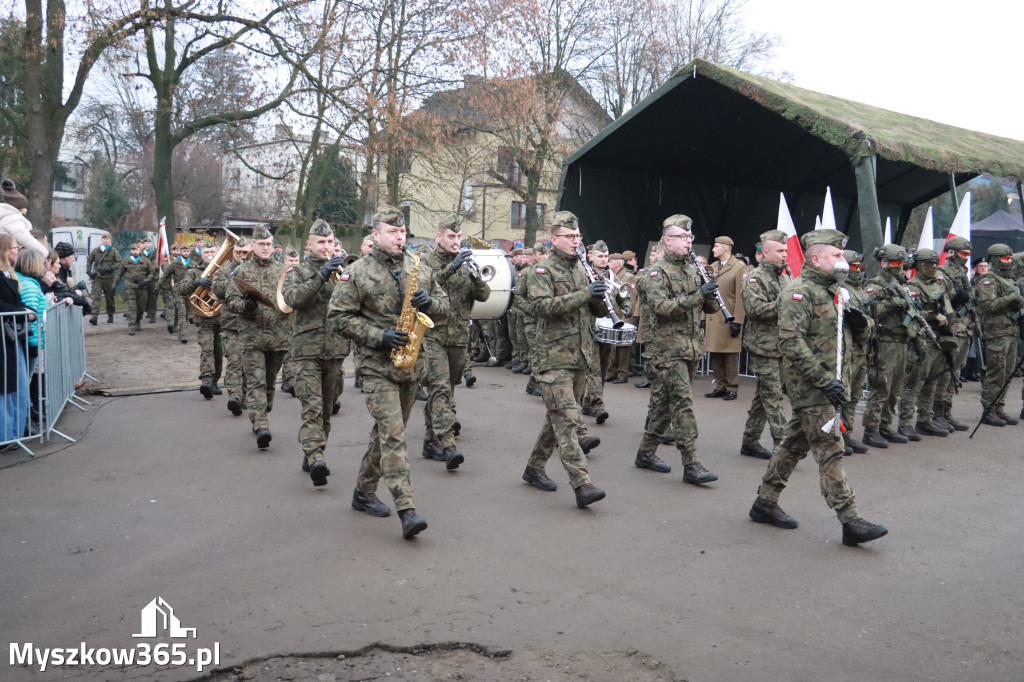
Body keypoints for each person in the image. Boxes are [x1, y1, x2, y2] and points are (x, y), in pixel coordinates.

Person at [748, 229, 888, 547]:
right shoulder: (799, 292)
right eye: (837, 256)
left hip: (833, 384)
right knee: (830, 450)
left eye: (843, 256)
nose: (843, 262)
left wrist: (861, 325)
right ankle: (850, 519)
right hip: (812, 386)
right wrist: (824, 381)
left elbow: (852, 337)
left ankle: (764, 502)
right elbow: (791, 342)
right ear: (816, 258)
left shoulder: (837, 291)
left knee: (793, 445)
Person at [329, 205, 449, 538]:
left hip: (410, 365)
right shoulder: (357, 272)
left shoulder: (418, 267)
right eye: (393, 232)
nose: (400, 237)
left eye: (403, 232)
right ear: (375, 234)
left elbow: (446, 309)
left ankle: (363, 492)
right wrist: (379, 335)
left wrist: (430, 304)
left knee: (385, 436)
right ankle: (407, 509)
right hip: (375, 366)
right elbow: (337, 318)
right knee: (394, 435)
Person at [520, 211, 607, 508]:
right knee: (569, 422)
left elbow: (595, 311)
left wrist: (601, 298)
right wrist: (585, 294)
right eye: (570, 237)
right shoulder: (541, 271)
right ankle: (582, 484)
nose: (576, 242)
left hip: (580, 357)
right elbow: (543, 307)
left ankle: (534, 467)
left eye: (578, 237)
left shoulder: (582, 270)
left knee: (555, 418)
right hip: (553, 358)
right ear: (554, 239)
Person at [633, 215, 720, 484]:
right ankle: (692, 464)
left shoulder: (693, 270)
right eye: (683, 238)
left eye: (690, 238)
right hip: (666, 350)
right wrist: (697, 295)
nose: (688, 242)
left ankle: (646, 453)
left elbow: (710, 308)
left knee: (663, 406)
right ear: (667, 241)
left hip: (690, 347)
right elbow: (662, 308)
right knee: (682, 404)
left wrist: (710, 295)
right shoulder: (654, 273)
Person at [280, 220, 348, 486]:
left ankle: (312, 454)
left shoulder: (343, 272)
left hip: (336, 350)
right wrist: (320, 277)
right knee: (312, 409)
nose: (327, 247)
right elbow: (292, 299)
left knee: (327, 411)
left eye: (330, 242)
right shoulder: (297, 271)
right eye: (321, 242)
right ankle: (317, 456)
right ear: (309, 245)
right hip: (306, 351)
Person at [419, 213, 489, 469]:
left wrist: (475, 277)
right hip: (432, 335)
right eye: (451, 236)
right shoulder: (426, 261)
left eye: (458, 236)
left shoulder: (466, 264)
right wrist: (453, 266)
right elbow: (426, 286)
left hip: (459, 337)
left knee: (447, 389)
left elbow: (484, 295)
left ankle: (430, 440)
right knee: (439, 388)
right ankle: (447, 444)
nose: (455, 241)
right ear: (439, 237)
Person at [224, 226, 291, 449]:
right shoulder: (241, 271)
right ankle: (261, 424)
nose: (265, 248)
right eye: (261, 244)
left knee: (270, 383)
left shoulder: (284, 270)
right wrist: (245, 305)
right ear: (252, 246)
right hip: (251, 337)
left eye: (268, 244)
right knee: (256, 382)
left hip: (278, 337)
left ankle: (261, 413)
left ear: (273, 246)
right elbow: (230, 301)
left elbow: (292, 299)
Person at [739, 230, 790, 459]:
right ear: (765, 253)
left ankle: (750, 441)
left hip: (781, 345)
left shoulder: (784, 276)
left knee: (765, 394)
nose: (784, 254)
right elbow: (755, 310)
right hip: (763, 346)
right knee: (773, 396)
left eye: (786, 250)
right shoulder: (754, 278)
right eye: (779, 251)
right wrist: (786, 304)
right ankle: (784, 445)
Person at [860, 245, 916, 448]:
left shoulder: (899, 284)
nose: (898, 266)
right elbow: (867, 310)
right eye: (894, 263)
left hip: (901, 342)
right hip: (884, 342)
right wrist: (892, 303)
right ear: (883, 263)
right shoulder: (875, 285)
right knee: (881, 387)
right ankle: (871, 430)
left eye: (901, 263)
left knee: (895, 389)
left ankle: (885, 425)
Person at [898, 248, 956, 437]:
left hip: (939, 340)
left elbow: (948, 310)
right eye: (928, 264)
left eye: (934, 263)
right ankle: (905, 423)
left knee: (932, 382)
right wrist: (932, 315)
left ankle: (925, 419)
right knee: (914, 383)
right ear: (919, 265)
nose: (933, 267)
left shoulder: (937, 286)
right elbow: (909, 313)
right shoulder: (912, 286)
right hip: (922, 340)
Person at [976, 243, 1022, 426]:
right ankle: (988, 409)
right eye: (1004, 258)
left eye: (1009, 258)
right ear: (994, 259)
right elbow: (987, 307)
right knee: (996, 373)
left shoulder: (1009, 279)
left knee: (1008, 372)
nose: (1008, 261)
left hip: (1011, 331)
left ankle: (999, 408)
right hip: (996, 333)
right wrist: (1012, 298)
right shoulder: (988, 280)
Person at [935, 237, 974, 430]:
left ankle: (946, 412)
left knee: (955, 372)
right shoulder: (943, 273)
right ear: (951, 252)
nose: (966, 258)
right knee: (944, 372)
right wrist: (955, 295)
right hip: (952, 329)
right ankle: (937, 413)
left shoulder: (963, 274)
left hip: (965, 329)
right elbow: (938, 299)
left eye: (968, 254)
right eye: (963, 254)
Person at [703, 236, 746, 400]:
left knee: (730, 355)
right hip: (713, 317)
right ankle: (720, 385)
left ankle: (732, 387)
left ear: (726, 248)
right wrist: (703, 316)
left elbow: (741, 298)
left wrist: (738, 321)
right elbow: (707, 294)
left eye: (716, 246)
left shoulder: (739, 268)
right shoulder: (712, 267)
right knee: (715, 353)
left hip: (729, 318)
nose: (713, 249)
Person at [181, 240, 225, 399]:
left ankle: (214, 381)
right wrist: (196, 282)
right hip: (203, 319)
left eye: (212, 252)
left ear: (218, 252)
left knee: (219, 352)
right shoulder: (194, 271)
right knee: (207, 349)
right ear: (201, 254)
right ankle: (206, 381)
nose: (210, 255)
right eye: (206, 253)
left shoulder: (224, 270)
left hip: (221, 318)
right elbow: (180, 289)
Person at [1, 235, 34, 445]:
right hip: (4, 338)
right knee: (6, 388)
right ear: (5, 251)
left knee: (19, 387)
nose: (18, 251)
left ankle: (15, 434)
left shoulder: (10, 276)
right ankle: (7, 436)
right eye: (15, 247)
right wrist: (21, 311)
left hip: (14, 337)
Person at [213, 237, 251, 415]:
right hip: (231, 325)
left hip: (251, 324)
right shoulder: (224, 270)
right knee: (235, 362)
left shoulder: (256, 270)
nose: (241, 256)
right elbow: (218, 290)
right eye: (238, 252)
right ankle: (235, 397)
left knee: (248, 365)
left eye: (245, 252)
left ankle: (244, 396)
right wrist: (236, 277)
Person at [839, 250, 872, 453]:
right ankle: (838, 435)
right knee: (844, 394)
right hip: (846, 349)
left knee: (855, 395)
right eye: (852, 267)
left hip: (861, 348)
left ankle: (848, 433)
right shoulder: (841, 290)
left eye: (859, 267)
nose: (857, 270)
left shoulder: (860, 289)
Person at [581, 240, 616, 423]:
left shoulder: (611, 275)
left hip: (609, 327)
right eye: (600, 256)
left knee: (603, 367)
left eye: (606, 256)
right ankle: (598, 404)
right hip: (591, 327)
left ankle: (588, 402)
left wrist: (625, 307)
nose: (603, 259)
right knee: (593, 367)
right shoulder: (585, 274)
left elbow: (621, 296)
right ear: (591, 257)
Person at [114, 242, 155, 335]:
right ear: (130, 251)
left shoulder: (145, 261)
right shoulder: (126, 261)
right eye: (133, 250)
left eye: (137, 249)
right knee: (132, 306)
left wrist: (145, 280)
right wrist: (114, 284)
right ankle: (131, 326)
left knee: (141, 307)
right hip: (130, 286)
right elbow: (119, 273)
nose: (135, 251)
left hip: (142, 287)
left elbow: (152, 273)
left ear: (139, 250)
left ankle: (138, 321)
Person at [0, 180, 49, 257]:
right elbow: (27, 240)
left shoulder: (6, 217)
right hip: (9, 258)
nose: (26, 210)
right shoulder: (12, 219)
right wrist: (46, 254)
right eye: (25, 207)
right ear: (18, 207)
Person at [86, 232, 122, 324]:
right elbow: (89, 260)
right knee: (96, 296)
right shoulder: (96, 250)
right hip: (98, 277)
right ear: (101, 240)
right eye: (104, 239)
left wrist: (110, 268)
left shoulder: (113, 251)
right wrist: (89, 271)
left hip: (109, 278)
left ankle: (110, 315)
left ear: (110, 240)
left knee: (109, 298)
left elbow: (119, 263)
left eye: (107, 239)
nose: (106, 240)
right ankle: (94, 316)